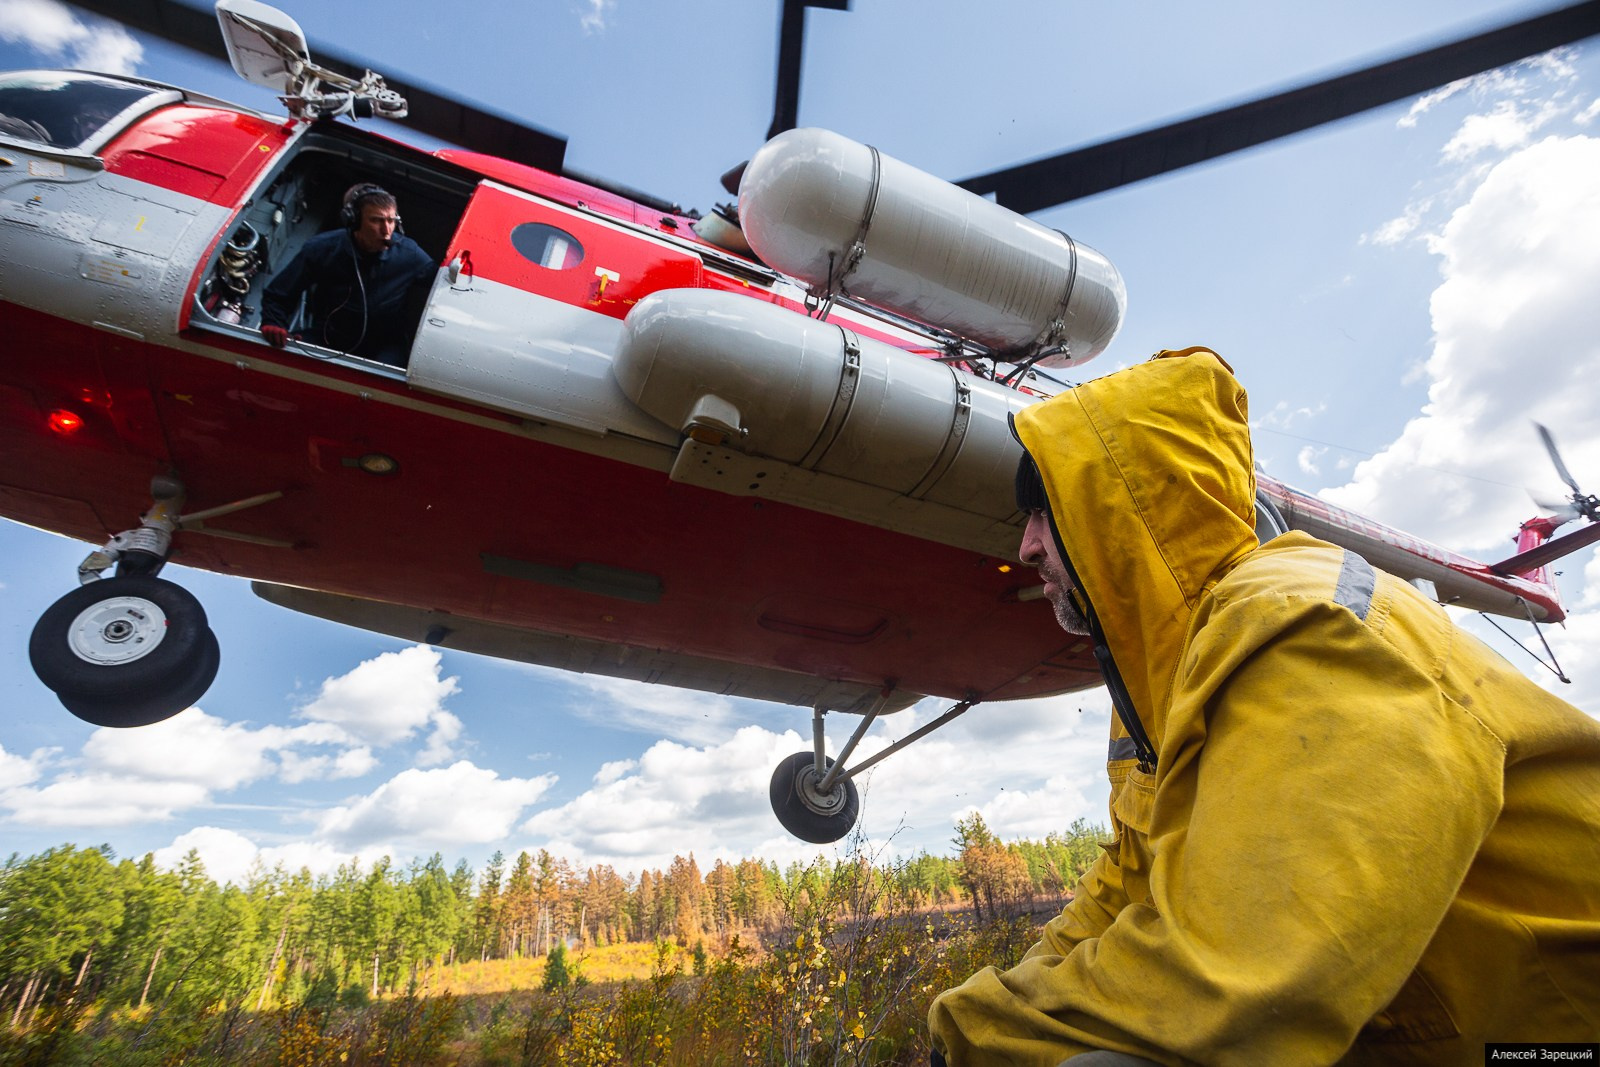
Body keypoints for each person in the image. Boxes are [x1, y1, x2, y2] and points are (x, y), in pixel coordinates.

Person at [927, 348, 1600, 1065]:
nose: (1025, 545)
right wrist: (980, 1013)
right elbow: (1126, 884)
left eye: (1044, 509)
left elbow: (1242, 990)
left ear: (1121, 508)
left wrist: (987, 1034)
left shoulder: (1301, 628)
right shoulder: (1161, 682)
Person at [259, 183, 435, 366]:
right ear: (354, 220)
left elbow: (443, 283)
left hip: (385, 343)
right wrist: (274, 322)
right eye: (376, 220)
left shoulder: (409, 253)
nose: (387, 230)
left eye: (391, 221)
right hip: (330, 335)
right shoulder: (321, 248)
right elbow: (279, 293)